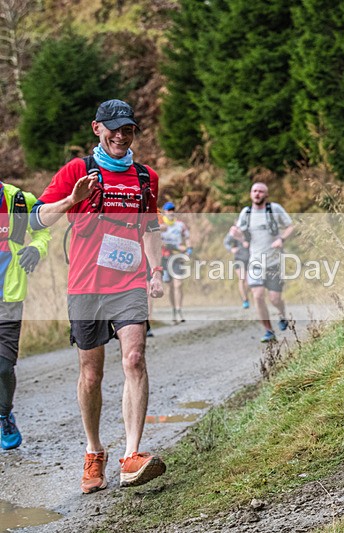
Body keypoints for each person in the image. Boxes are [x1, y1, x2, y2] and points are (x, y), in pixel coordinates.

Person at [30, 99, 167, 493]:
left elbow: (151, 229)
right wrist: (72, 199)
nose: (122, 136)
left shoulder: (145, 178)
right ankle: (94, 453)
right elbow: (39, 216)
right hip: (86, 284)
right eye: (115, 129)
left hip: (129, 283)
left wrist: (155, 271)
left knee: (135, 358)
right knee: (91, 374)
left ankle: (132, 454)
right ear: (97, 129)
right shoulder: (78, 170)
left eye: (129, 130)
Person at [0, 181, 50, 450]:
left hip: (9, 297)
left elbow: (42, 232)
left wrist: (36, 248)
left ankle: (4, 415)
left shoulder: (19, 199)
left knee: (3, 367)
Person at [234, 183, 293, 342]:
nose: (257, 194)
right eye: (254, 191)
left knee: (275, 299)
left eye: (261, 191)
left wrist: (281, 239)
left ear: (266, 195)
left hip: (274, 261)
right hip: (255, 262)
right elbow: (241, 235)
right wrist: (237, 235)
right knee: (258, 295)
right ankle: (268, 331)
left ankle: (282, 314)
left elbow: (290, 227)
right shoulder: (246, 213)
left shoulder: (275, 209)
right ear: (250, 194)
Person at [159, 201, 191, 324]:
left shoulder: (180, 225)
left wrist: (189, 249)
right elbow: (156, 240)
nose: (171, 212)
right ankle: (173, 309)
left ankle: (179, 310)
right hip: (164, 257)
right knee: (170, 286)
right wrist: (175, 246)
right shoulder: (160, 225)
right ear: (164, 212)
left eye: (172, 210)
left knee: (179, 284)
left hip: (177, 258)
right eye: (168, 210)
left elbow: (187, 238)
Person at [224, 225, 251, 309]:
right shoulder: (233, 231)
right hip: (239, 258)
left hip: (250, 258)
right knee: (242, 278)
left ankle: (245, 295)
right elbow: (226, 242)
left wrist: (248, 243)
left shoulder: (249, 231)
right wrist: (231, 249)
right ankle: (245, 300)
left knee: (248, 281)